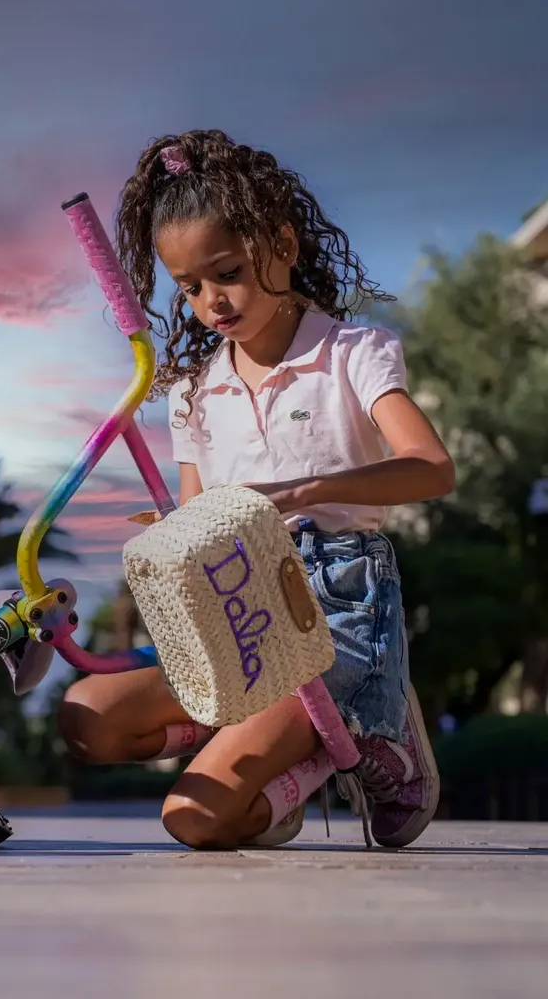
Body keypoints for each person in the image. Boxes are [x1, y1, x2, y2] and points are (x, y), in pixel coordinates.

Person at [57, 129, 455, 850]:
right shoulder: (192, 391)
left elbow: (433, 466)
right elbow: (197, 515)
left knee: (195, 818)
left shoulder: (352, 354)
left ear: (282, 244)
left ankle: (371, 733)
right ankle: (270, 740)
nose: (212, 300)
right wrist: (173, 528)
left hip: (332, 615)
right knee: (88, 716)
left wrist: (306, 491)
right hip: (234, 613)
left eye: (229, 271)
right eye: (189, 286)